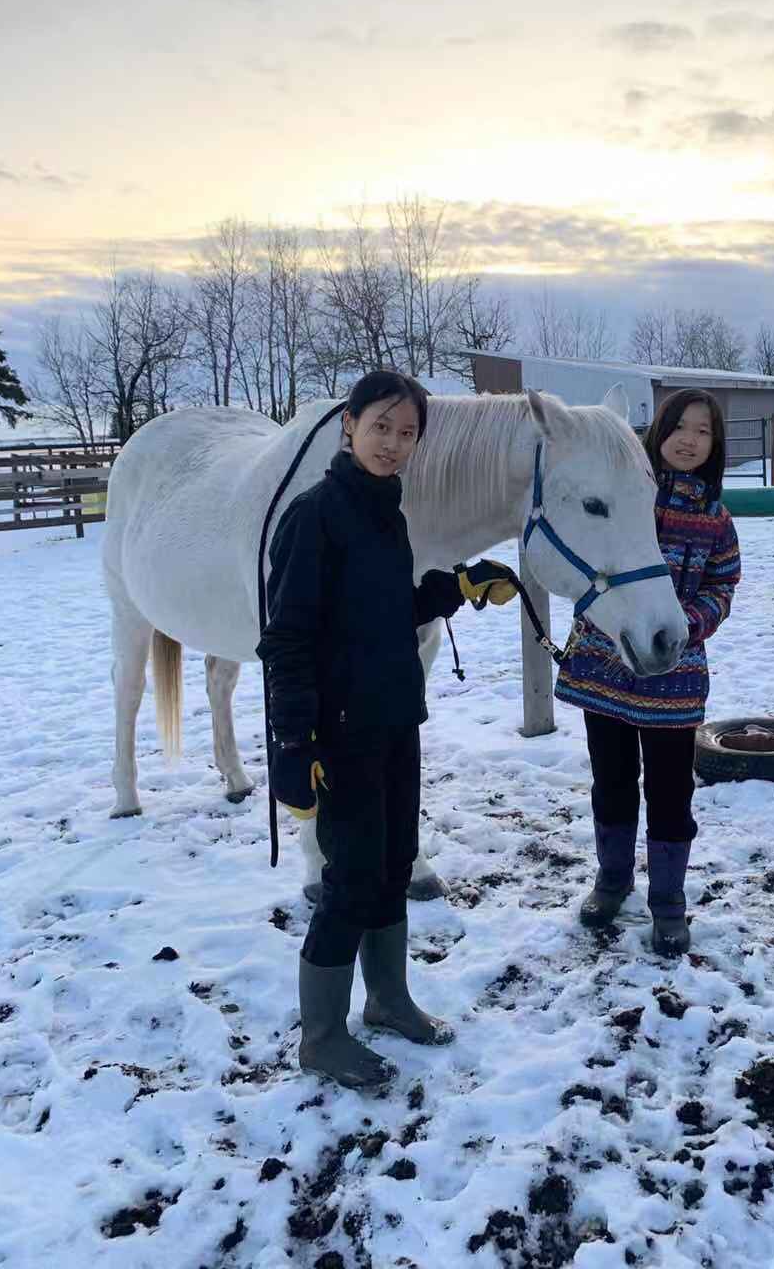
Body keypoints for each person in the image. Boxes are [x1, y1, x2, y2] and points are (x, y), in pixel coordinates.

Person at [257, 370, 516, 1089]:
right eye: (381, 427)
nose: (393, 444)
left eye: (408, 434)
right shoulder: (315, 516)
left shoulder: (387, 512)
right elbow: (288, 640)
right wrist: (292, 744)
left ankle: (390, 1000)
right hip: (340, 734)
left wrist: (454, 588)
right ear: (349, 424)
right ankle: (322, 1037)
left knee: (395, 862)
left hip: (397, 719)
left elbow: (383, 613)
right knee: (352, 879)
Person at [554, 388, 741, 955]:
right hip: (605, 668)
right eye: (679, 426)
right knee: (610, 781)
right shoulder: (627, 494)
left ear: (716, 444)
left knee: (669, 790)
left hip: (674, 677)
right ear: (657, 432)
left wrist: (690, 621)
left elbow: (723, 583)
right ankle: (612, 880)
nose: (689, 439)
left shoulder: (715, 518)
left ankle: (668, 902)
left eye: (703, 431)